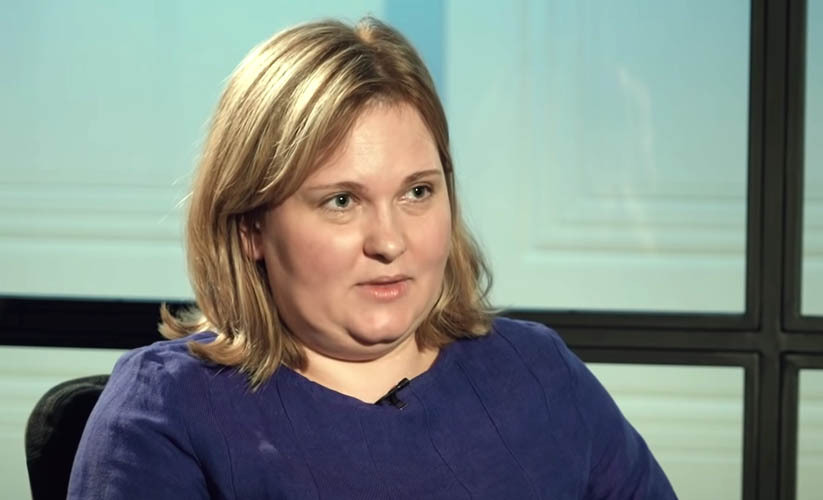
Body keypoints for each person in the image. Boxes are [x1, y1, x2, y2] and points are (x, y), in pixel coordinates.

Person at [67, 17, 676, 499]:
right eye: (341, 201)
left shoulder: (538, 371)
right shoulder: (166, 413)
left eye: (418, 192)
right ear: (251, 226)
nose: (389, 241)